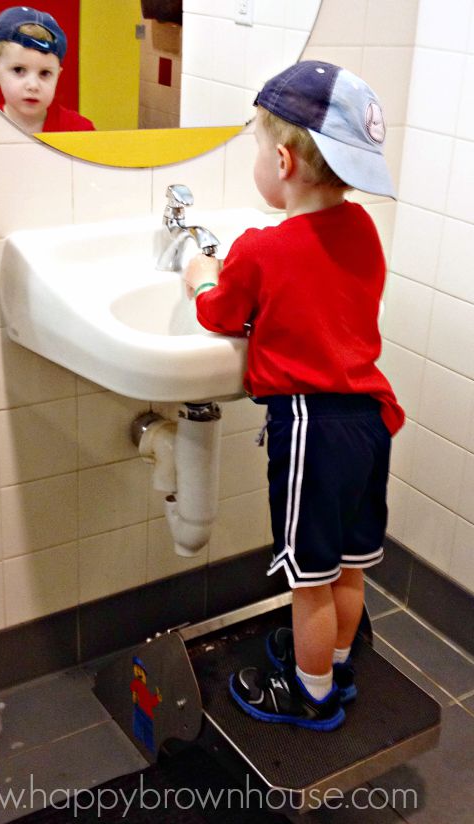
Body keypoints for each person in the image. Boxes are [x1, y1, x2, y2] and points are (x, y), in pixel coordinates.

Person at [184, 61, 404, 731]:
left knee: (307, 580)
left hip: (311, 424)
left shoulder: (259, 249)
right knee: (349, 565)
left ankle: (311, 696)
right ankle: (334, 662)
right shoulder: (364, 230)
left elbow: (220, 315)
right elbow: (322, 301)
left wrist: (198, 276)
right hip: (369, 418)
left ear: (281, 159)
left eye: (255, 146)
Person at [0, 6, 95, 134]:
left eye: (45, 73)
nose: (33, 86)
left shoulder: (79, 130)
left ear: (57, 75)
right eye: (18, 70)